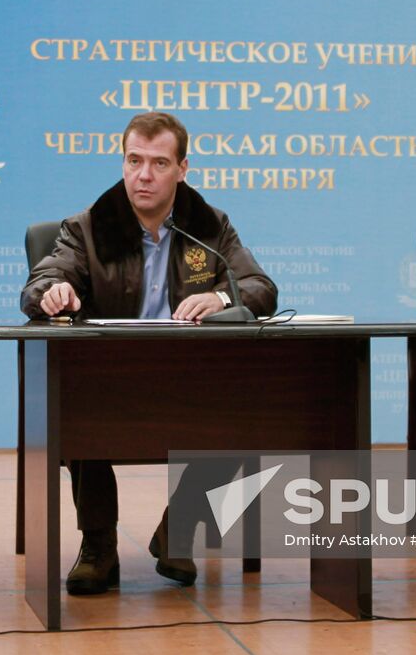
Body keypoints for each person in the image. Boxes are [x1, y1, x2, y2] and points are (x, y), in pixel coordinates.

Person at [20, 111, 277, 595]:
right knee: (74, 399)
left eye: (159, 163)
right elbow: (39, 284)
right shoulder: (88, 227)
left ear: (182, 168)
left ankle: (180, 531)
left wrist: (222, 298)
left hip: (189, 376)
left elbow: (260, 287)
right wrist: (55, 293)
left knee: (242, 403)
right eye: (134, 160)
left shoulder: (210, 226)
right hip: (111, 374)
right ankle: (98, 546)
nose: (143, 174)